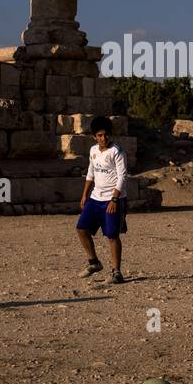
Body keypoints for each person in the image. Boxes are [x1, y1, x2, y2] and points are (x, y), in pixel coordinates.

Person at [77, 116, 128, 284]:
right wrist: (84, 194)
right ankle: (94, 262)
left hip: (112, 199)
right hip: (95, 197)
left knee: (112, 236)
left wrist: (114, 199)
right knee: (81, 228)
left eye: (106, 135)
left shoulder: (117, 151)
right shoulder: (93, 150)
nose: (103, 138)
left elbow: (122, 176)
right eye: (99, 135)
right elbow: (91, 172)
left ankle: (116, 272)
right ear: (94, 137)